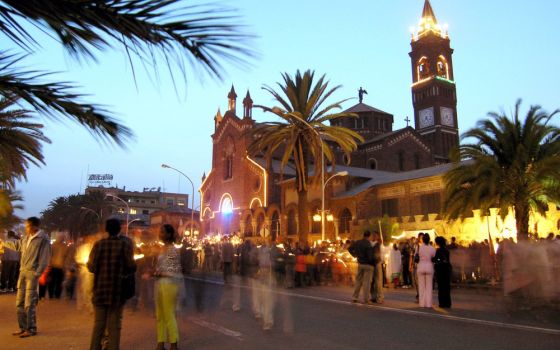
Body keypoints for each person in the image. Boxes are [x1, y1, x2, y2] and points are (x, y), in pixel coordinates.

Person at [87, 218, 136, 350]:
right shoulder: (124, 245)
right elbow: (131, 266)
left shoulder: (98, 245)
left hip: (100, 290)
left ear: (106, 229)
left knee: (99, 325)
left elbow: (91, 267)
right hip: (117, 292)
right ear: (119, 229)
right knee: (114, 326)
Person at [1, 217, 52, 338]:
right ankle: (23, 328)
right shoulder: (26, 238)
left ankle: (31, 328)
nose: (25, 228)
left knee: (29, 303)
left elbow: (45, 258)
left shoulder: (43, 239)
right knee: (19, 303)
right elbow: (17, 245)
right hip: (22, 272)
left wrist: (37, 273)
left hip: (32, 274)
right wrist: (3, 242)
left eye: (27, 226)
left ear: (35, 226)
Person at [154, 224, 183, 350]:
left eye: (162, 232)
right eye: (160, 232)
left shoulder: (172, 250)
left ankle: (173, 343)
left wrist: (158, 273)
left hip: (170, 285)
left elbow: (174, 271)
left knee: (169, 314)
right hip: (160, 284)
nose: (160, 234)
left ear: (169, 235)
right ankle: (160, 343)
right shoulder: (162, 249)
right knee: (160, 315)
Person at [349, 230, 375, 304]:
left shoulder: (358, 242)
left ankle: (355, 297)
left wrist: (355, 255)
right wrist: (373, 263)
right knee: (366, 282)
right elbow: (370, 256)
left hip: (360, 263)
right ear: (369, 236)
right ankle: (366, 299)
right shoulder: (368, 244)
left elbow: (350, 249)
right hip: (368, 264)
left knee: (358, 281)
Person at [417, 233, 436, 308]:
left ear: (423, 240)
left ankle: (422, 303)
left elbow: (417, 256)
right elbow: (433, 257)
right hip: (429, 266)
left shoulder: (420, 248)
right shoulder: (432, 248)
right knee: (429, 286)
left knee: (421, 286)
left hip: (421, 266)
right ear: (429, 240)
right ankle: (428, 304)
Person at [48, 232, 69, 299]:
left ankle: (54, 295)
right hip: (55, 266)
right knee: (55, 281)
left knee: (56, 282)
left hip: (58, 266)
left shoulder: (55, 246)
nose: (61, 239)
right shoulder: (54, 246)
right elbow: (50, 255)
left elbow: (66, 256)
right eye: (61, 237)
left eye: (62, 238)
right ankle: (55, 295)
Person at [434, 236, 452, 308]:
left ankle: (442, 303)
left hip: (441, 270)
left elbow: (436, 259)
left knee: (441, 287)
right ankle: (448, 303)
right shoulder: (447, 250)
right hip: (447, 269)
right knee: (447, 287)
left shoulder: (438, 250)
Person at [370, 231, 384, 303]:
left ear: (377, 236)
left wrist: (381, 262)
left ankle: (380, 297)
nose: (373, 237)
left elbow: (382, 254)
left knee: (378, 282)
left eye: (375, 235)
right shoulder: (369, 244)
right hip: (371, 264)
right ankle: (373, 297)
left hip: (377, 264)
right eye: (372, 235)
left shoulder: (379, 245)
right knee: (372, 282)